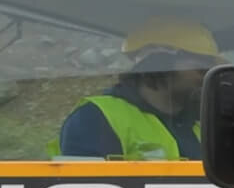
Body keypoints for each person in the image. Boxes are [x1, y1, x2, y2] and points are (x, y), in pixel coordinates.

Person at [53, 16, 219, 160]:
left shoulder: (200, 125)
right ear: (160, 63)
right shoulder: (96, 117)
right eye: (201, 69)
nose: (207, 77)